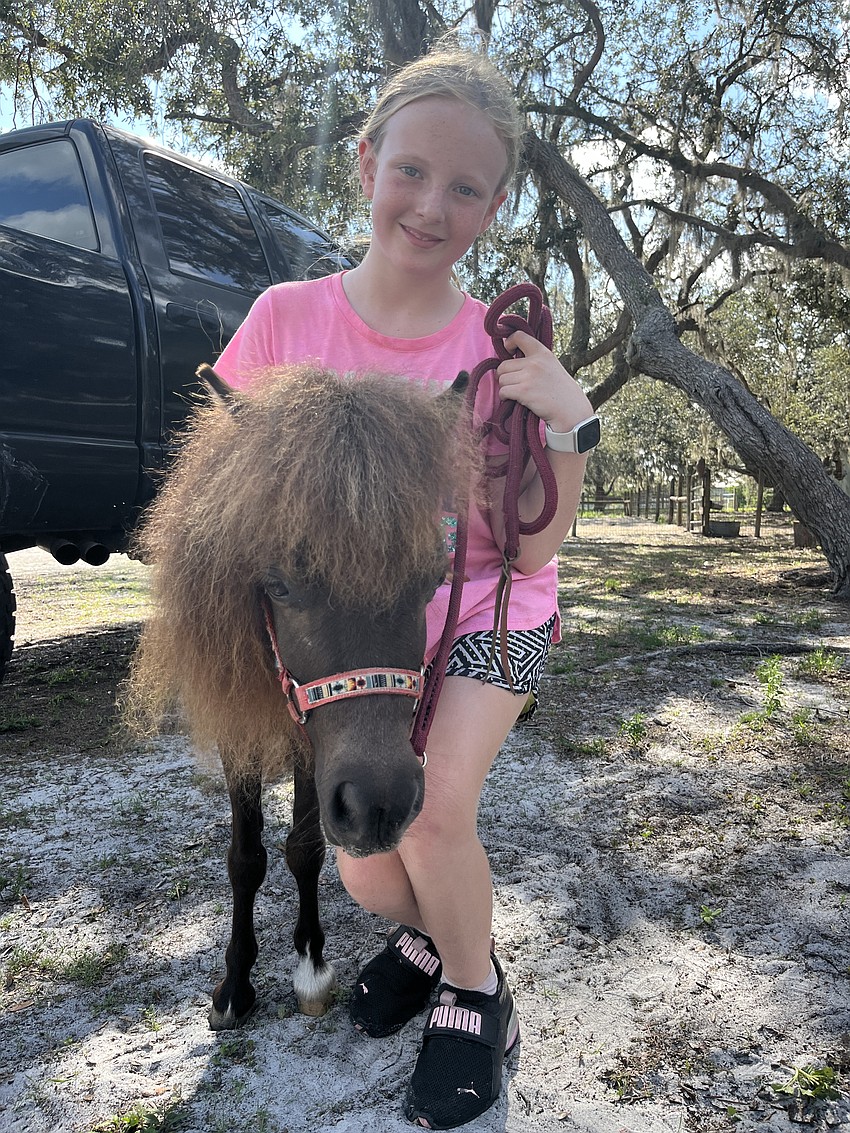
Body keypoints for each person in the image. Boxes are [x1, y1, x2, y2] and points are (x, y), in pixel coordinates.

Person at [214, 47, 596, 1130]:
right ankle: (432, 935)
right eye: (412, 171)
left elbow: (532, 550)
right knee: (368, 864)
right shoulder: (283, 321)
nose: (432, 206)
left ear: (495, 204)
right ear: (366, 161)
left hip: (489, 613)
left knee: (428, 821)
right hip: (370, 631)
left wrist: (567, 420)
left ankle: (477, 997)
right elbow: (224, 503)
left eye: (465, 187)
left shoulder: (497, 347)